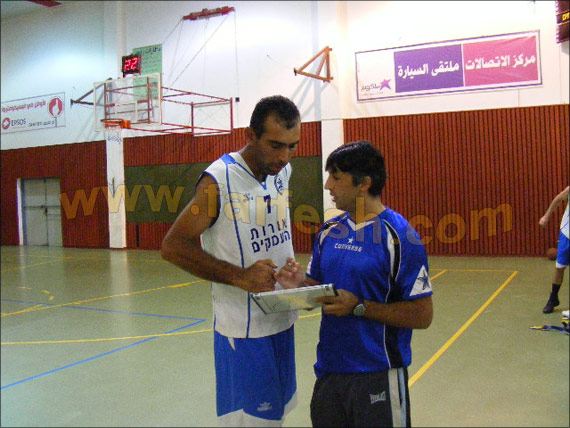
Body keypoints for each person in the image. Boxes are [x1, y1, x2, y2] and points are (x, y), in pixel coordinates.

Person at [160, 95, 301, 427]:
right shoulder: (218, 181)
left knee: (277, 416)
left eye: (292, 146)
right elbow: (173, 246)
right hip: (244, 329)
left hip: (281, 318)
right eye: (276, 146)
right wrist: (240, 276)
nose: (284, 156)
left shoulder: (282, 171)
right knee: (252, 422)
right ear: (250, 136)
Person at [275, 141, 433, 427]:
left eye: (336, 177)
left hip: (378, 373)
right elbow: (319, 292)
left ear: (364, 184)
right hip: (329, 372)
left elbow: (422, 315)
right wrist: (299, 285)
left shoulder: (400, 237)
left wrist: (359, 306)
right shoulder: (329, 231)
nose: (327, 186)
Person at [539, 185, 569, 314]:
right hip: (567, 234)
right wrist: (546, 216)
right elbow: (558, 199)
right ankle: (553, 298)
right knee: (559, 268)